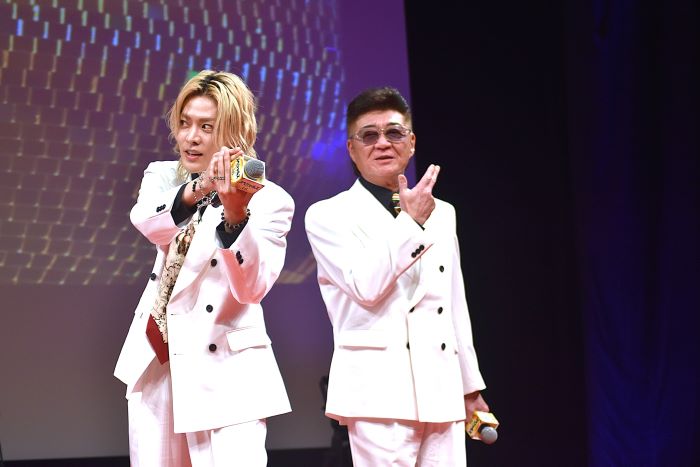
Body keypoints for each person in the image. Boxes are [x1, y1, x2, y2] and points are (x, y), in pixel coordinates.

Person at [114, 70, 293, 466]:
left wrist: (235, 214)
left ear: (235, 131)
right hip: (158, 361)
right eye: (184, 123)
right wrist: (202, 187)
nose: (190, 137)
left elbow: (251, 288)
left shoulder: (270, 200)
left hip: (227, 372)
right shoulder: (164, 176)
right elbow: (147, 223)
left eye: (206, 127)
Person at [304, 87, 490, 466]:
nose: (382, 143)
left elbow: (454, 304)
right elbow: (365, 286)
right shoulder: (327, 215)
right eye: (369, 135)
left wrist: (470, 388)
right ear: (352, 149)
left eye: (394, 133)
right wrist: (410, 223)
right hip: (377, 395)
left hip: (441, 388)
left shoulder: (442, 212)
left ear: (412, 142)